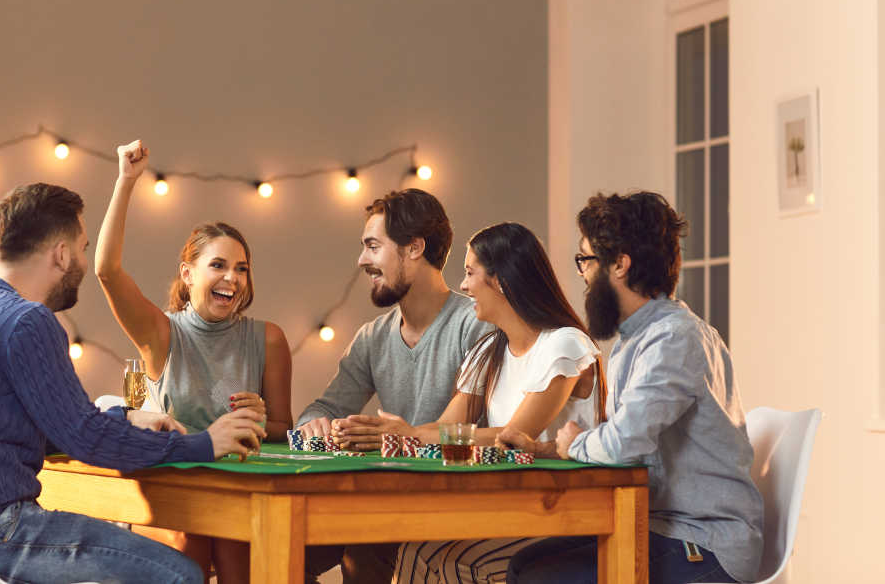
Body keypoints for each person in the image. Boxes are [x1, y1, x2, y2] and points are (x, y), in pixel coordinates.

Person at [0, 183, 265, 584]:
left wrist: (125, 417)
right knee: (180, 574)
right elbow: (86, 438)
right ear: (62, 254)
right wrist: (204, 444)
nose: (82, 260)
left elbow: (55, 427)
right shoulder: (27, 322)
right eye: (82, 248)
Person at [502, 191, 763, 584]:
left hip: (703, 542)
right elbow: (628, 439)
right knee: (524, 565)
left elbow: (625, 442)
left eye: (586, 260)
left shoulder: (673, 338)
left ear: (620, 265)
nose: (583, 275)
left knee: (539, 578)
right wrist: (546, 449)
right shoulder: (637, 339)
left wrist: (573, 444)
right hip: (660, 526)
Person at [95, 140, 292, 583]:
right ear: (188, 274)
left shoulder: (268, 339)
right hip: (175, 490)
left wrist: (261, 420)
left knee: (241, 548)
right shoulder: (162, 334)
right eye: (218, 265)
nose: (232, 278)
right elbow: (106, 270)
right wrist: (126, 181)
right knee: (193, 543)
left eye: (241, 268)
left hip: (238, 491)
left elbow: (284, 428)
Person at [364, 222, 606, 584]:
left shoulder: (565, 344)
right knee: (416, 548)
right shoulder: (489, 350)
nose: (462, 285)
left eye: (469, 272)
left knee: (449, 561)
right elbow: (447, 427)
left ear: (501, 281)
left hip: (566, 511)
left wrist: (410, 434)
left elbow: (515, 437)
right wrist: (390, 431)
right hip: (512, 505)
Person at [297, 188, 490, 583]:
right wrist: (314, 424)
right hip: (381, 502)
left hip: (458, 504)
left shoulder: (476, 325)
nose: (361, 260)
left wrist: (406, 436)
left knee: (364, 551)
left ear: (414, 248)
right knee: (283, 545)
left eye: (373, 246)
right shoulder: (373, 337)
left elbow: (479, 432)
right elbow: (324, 408)